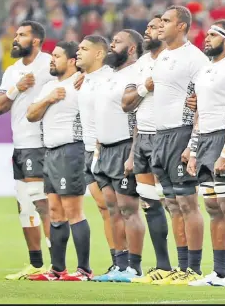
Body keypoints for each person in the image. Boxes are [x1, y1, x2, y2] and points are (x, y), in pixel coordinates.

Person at [185, 19, 225, 287]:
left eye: (212, 35)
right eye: (207, 34)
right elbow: (199, 113)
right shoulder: (203, 72)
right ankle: (220, 271)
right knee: (212, 206)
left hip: (224, 135)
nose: (206, 38)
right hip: (206, 140)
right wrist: (193, 147)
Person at [151, 5, 210, 285]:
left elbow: (206, 99)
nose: (160, 25)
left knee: (188, 203)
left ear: (183, 26)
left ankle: (194, 269)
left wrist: (193, 143)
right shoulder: (162, 56)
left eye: (166, 21)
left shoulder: (195, 58)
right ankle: (180, 266)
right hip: (159, 136)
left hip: (181, 133)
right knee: (172, 204)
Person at [0, 20, 54, 280]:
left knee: (41, 203)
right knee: (24, 205)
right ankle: (36, 264)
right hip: (20, 145)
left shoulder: (51, 64)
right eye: (16, 33)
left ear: (36, 40)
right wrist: (18, 88)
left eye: (22, 35)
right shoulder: (12, 71)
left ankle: (57, 266)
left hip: (42, 143)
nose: (15, 38)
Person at [26, 41, 92, 281]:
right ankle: (57, 269)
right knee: (55, 212)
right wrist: (49, 99)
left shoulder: (81, 83)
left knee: (74, 211)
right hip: (51, 153)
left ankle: (84, 270)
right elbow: (31, 114)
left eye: (57, 56)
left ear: (72, 60)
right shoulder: (49, 87)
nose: (52, 60)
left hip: (71, 150)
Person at [121, 15, 175, 284]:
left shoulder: (175, 61)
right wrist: (145, 87)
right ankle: (163, 266)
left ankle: (190, 266)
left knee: (178, 203)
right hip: (143, 138)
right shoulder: (141, 64)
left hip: (168, 137)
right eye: (148, 27)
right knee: (149, 203)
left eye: (154, 27)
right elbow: (127, 104)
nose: (148, 31)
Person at [92, 29, 147, 283]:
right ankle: (119, 263)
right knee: (112, 208)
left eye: (117, 42)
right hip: (104, 149)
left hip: (125, 146)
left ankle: (134, 267)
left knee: (128, 208)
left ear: (132, 48)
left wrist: (133, 153)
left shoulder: (136, 73)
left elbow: (137, 116)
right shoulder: (109, 76)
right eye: (111, 40)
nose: (112, 45)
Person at [73, 35, 121, 281]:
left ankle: (127, 263)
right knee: (104, 208)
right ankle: (116, 263)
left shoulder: (110, 78)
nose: (78, 52)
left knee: (117, 208)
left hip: (106, 149)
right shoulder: (85, 80)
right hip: (88, 149)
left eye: (84, 49)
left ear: (100, 54)